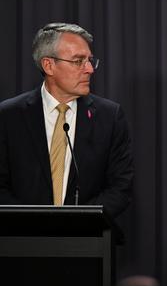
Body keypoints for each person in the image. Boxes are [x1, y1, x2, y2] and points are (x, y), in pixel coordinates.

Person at [0, 22, 134, 217]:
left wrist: (77, 222)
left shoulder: (109, 117)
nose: (89, 69)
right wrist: (31, 222)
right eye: (78, 61)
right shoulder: (8, 116)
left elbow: (120, 187)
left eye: (90, 60)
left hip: (86, 240)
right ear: (49, 65)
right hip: (21, 240)